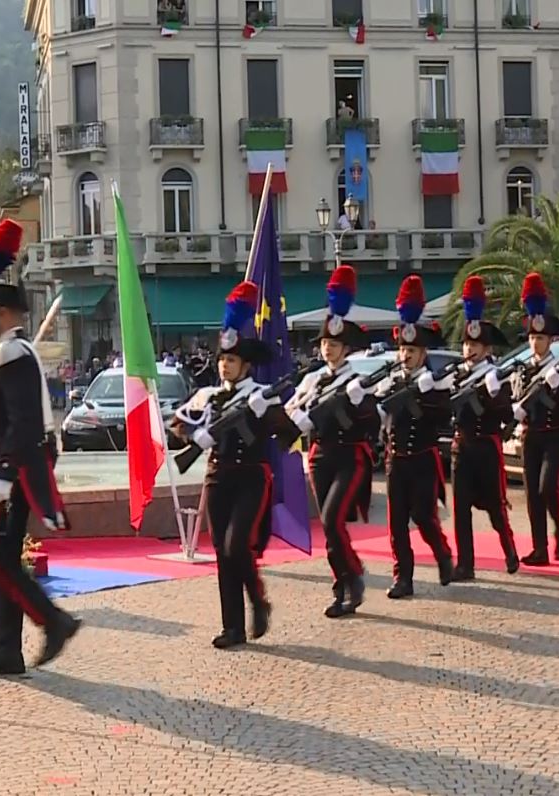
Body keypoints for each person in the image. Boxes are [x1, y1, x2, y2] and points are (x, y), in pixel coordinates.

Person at [0, 219, 80, 676]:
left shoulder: (13, 355)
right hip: (6, 463)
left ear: (4, 313)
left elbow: (25, 423)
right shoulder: (8, 353)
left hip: (17, 464)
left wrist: (4, 475)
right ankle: (7, 647)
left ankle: (51, 622)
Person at [171, 280, 302, 648]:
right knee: (221, 553)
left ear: (245, 364)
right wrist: (194, 437)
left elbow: (289, 435)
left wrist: (263, 416)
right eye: (222, 360)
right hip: (217, 476)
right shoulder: (208, 396)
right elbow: (178, 424)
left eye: (231, 360)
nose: (225, 366)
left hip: (251, 478)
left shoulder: (258, 396)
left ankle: (257, 600)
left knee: (235, 544)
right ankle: (233, 626)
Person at [283, 266, 376, 618]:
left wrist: (358, 401)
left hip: (350, 456)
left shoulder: (356, 380)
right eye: (324, 344)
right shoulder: (313, 380)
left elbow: (373, 419)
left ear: (345, 348)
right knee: (327, 525)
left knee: (334, 519)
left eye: (333, 344)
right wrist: (300, 420)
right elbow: (290, 411)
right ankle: (342, 583)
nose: (327, 350)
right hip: (320, 456)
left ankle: (352, 578)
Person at [373, 274, 454, 597]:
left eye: (412, 350)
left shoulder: (434, 383)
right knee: (396, 525)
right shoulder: (390, 381)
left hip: (422, 459)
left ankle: (443, 555)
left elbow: (441, 416)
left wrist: (420, 397)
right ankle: (402, 577)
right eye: (403, 349)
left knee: (423, 517)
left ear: (423, 354)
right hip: (397, 461)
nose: (406, 355)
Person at [449, 275, 518, 580]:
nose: (469, 350)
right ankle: (465, 564)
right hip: (461, 448)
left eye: (475, 345)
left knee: (494, 507)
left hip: (486, 449)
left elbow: (506, 414)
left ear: (487, 348)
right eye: (466, 344)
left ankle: (509, 549)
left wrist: (491, 394)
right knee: (460, 509)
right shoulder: (455, 374)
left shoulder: (495, 375)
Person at [511, 274, 559, 563]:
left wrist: (555, 386)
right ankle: (539, 548)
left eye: (541, 338)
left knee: (548, 486)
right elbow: (516, 398)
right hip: (531, 434)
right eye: (533, 337)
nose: (536, 343)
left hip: (555, 433)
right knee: (532, 494)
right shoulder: (523, 370)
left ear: (551, 341)